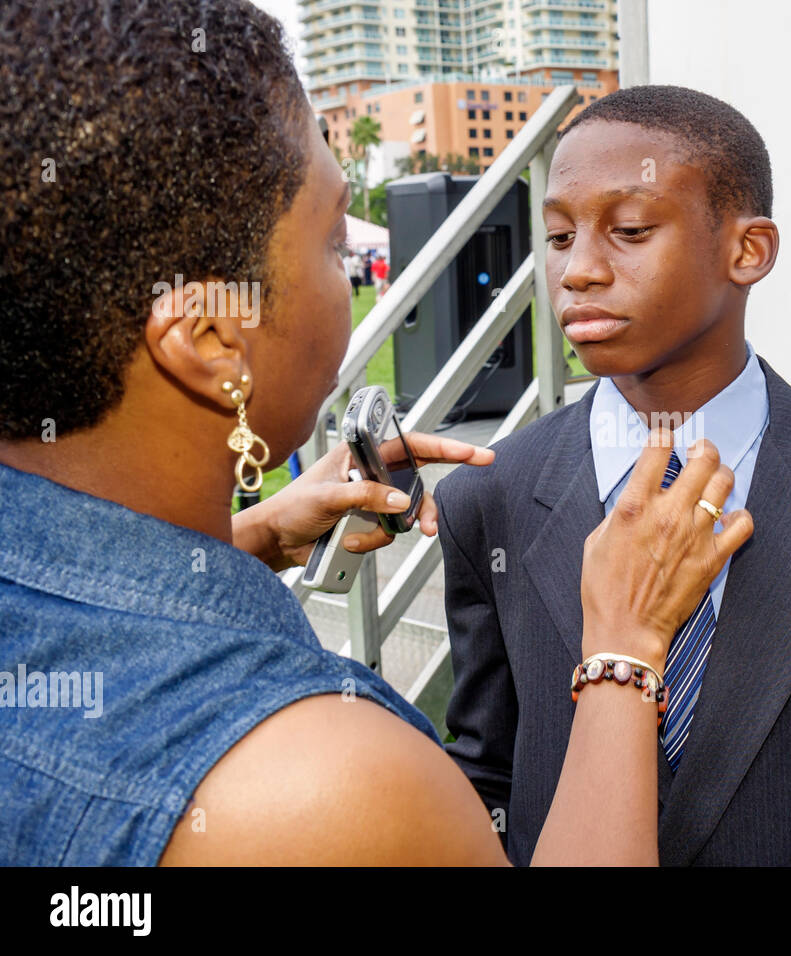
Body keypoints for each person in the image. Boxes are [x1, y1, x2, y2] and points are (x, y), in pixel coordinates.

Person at [0, 0, 751, 867]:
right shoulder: (325, 795)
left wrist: (241, 539)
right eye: (329, 242)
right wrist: (623, 649)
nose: (579, 268)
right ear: (214, 344)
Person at [434, 85, 791, 866]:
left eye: (629, 229)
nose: (580, 271)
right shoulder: (488, 500)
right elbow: (488, 782)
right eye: (560, 235)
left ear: (748, 251)